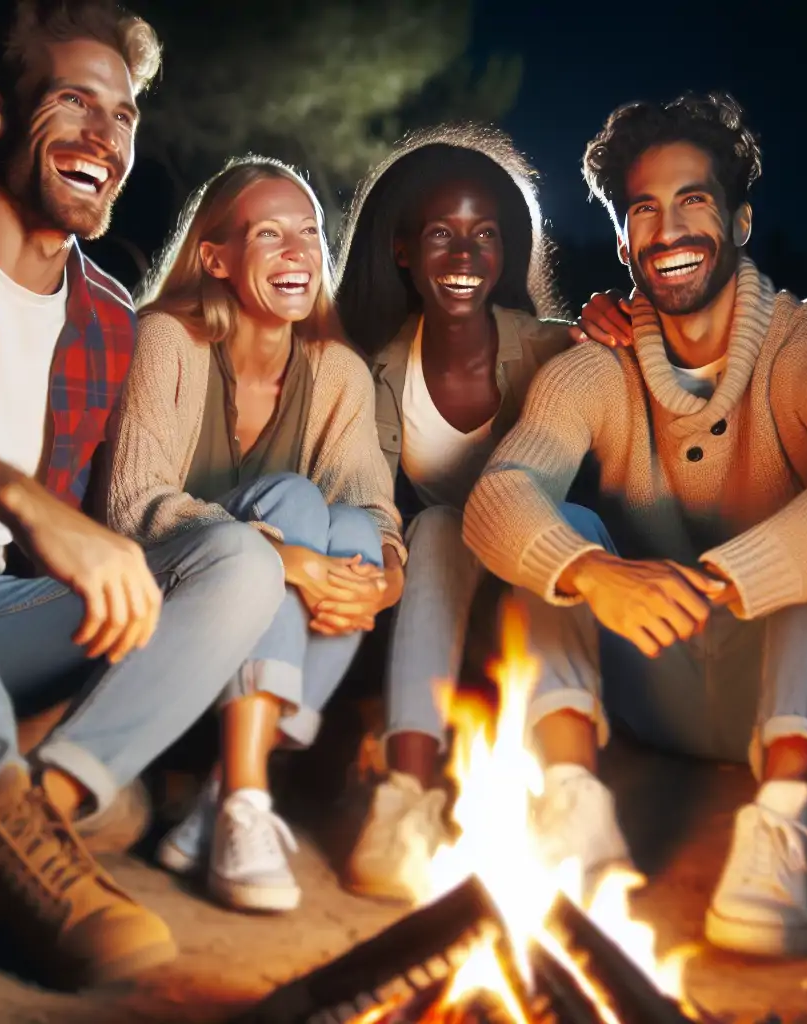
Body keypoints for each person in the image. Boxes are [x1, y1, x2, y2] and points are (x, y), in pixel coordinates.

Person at [463, 92, 807, 955]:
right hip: (659, 677)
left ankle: (779, 831)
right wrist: (593, 573)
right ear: (622, 241)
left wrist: (727, 580)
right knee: (554, 535)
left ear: (741, 219)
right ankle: (573, 802)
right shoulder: (596, 369)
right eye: (645, 209)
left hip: (797, 689)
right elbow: (498, 498)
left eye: (694, 202)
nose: (669, 229)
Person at [0, 0, 289, 989]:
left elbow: (109, 532)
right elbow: (47, 516)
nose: (105, 134)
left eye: (125, 115)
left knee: (240, 559)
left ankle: (38, 820)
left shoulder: (108, 316)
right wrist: (22, 497)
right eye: (74, 100)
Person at [105, 155, 406, 914]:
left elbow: (373, 510)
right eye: (269, 234)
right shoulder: (167, 341)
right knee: (299, 504)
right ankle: (243, 800)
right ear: (217, 257)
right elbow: (130, 507)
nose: (299, 252)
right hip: (162, 605)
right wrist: (286, 558)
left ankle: (226, 797)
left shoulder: (335, 369)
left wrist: (384, 575)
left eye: (309, 232)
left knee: (352, 531)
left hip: (256, 660)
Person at [333, 126, 578, 901]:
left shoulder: (551, 350)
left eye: (485, 237)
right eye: (442, 235)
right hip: (435, 594)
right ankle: (405, 803)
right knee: (437, 525)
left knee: (487, 524)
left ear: (506, 253)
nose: (465, 258)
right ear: (404, 251)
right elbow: (365, 498)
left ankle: (576, 796)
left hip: (542, 596)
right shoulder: (374, 368)